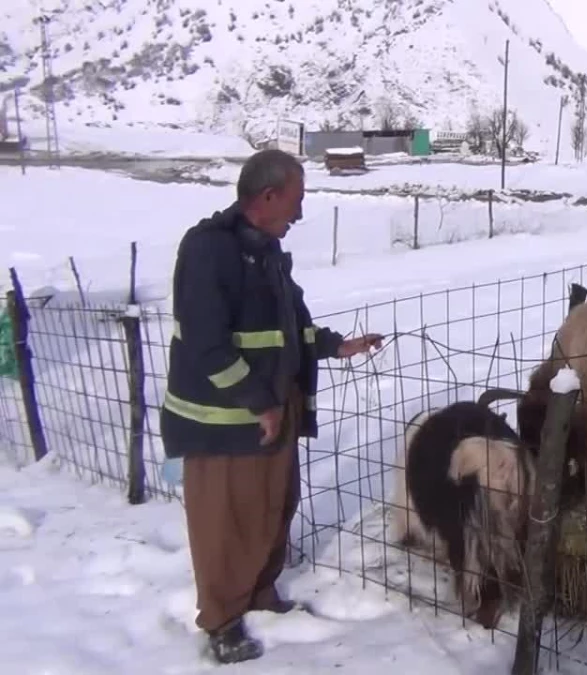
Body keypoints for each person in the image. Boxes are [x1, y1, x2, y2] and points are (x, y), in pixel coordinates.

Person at [159, 148, 383, 665]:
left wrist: (335, 346)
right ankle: (220, 619)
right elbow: (206, 343)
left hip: (271, 409)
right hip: (223, 420)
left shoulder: (265, 253)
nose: (300, 214)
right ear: (268, 196)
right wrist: (260, 402)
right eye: (296, 200)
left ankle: (258, 595)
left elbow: (287, 329)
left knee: (272, 507)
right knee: (223, 521)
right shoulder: (209, 252)